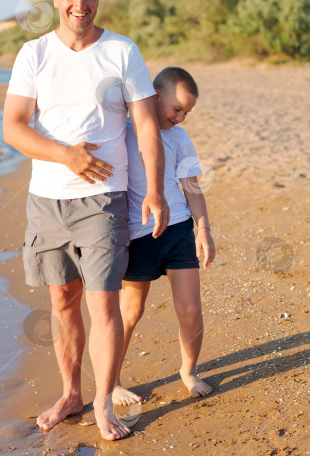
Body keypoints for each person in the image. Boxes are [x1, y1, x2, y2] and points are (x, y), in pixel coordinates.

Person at [3, 0, 168, 441]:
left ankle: (102, 402)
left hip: (103, 199)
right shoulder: (34, 53)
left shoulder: (121, 50)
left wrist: (154, 189)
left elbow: (146, 126)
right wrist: (65, 155)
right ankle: (71, 392)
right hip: (47, 199)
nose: (81, 4)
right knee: (61, 301)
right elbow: (14, 125)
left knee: (103, 303)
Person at [112, 66, 216, 407]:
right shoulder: (123, 131)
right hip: (138, 235)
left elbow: (192, 189)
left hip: (178, 230)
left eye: (187, 112)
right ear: (156, 96)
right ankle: (112, 380)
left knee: (190, 311)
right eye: (177, 109)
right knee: (130, 311)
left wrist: (203, 230)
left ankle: (188, 371)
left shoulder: (179, 139)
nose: (182, 118)